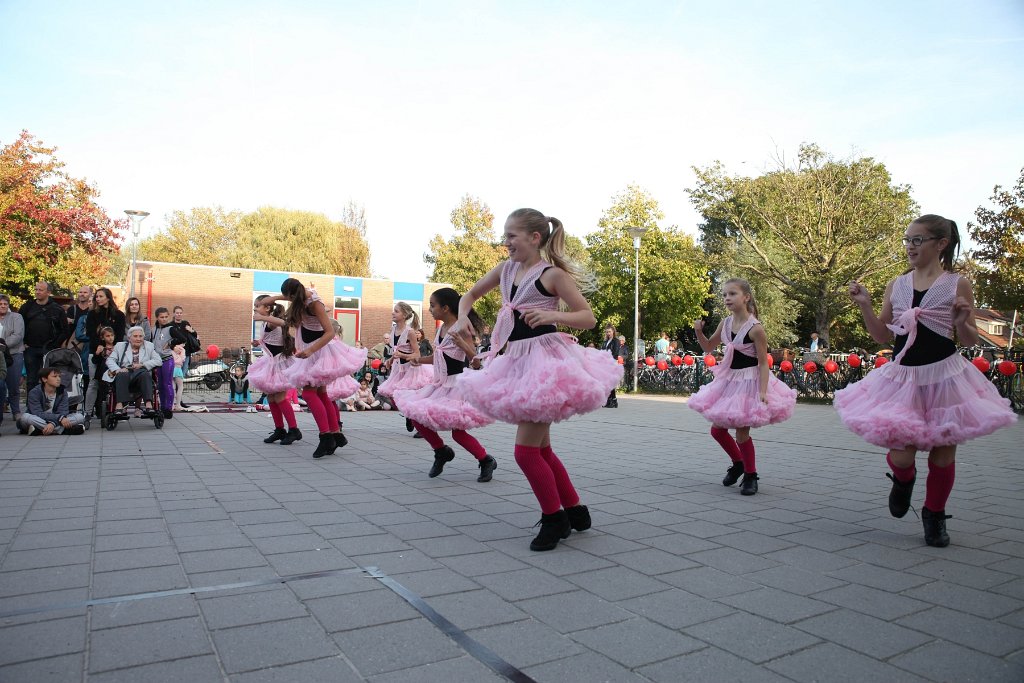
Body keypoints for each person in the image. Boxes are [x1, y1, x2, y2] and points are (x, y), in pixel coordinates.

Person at [834, 214, 1016, 547]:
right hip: (902, 379)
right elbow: (880, 335)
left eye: (917, 240)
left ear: (940, 244)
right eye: (907, 239)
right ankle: (904, 479)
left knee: (943, 454)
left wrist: (962, 321)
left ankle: (934, 514)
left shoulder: (956, 283)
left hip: (946, 376)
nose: (910, 246)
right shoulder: (897, 285)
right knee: (903, 456)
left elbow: (969, 338)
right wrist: (865, 306)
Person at [455, 208, 622, 551]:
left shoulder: (552, 276)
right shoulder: (506, 270)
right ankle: (574, 510)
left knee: (525, 453)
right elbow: (469, 296)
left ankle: (554, 518)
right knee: (541, 448)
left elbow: (588, 318)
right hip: (516, 360)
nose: (506, 243)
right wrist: (461, 319)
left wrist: (550, 314)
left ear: (534, 237)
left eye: (512, 236)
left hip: (545, 363)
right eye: (505, 236)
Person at [689, 279, 797, 496]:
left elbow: (764, 362)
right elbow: (709, 346)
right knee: (717, 430)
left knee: (741, 431)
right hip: (729, 380)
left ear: (746, 297)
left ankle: (750, 475)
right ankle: (738, 462)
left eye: (732, 294)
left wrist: (763, 391)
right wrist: (699, 331)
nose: (727, 298)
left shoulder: (755, 329)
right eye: (725, 295)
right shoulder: (726, 323)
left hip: (750, 381)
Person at [395, 287, 498, 482]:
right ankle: (441, 451)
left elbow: (475, 360)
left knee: (458, 433)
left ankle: (486, 460)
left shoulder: (461, 328)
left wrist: (463, 344)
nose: (430, 309)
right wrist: (419, 360)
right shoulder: (440, 329)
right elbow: (439, 357)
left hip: (457, 385)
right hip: (440, 384)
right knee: (416, 416)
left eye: (433, 306)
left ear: (445, 308)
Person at [275, 278, 366, 458]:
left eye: (289, 299)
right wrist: (269, 300)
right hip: (312, 350)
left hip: (319, 350)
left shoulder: (314, 303)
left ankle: (325, 436)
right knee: (322, 394)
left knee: (309, 394)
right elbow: (286, 298)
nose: (290, 302)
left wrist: (310, 351)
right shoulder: (302, 297)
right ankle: (335, 433)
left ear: (294, 295)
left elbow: (330, 332)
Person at [248, 295, 301, 445]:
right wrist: (259, 342)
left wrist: (262, 318)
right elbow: (272, 340)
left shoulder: (270, 322)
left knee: (280, 398)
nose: (255, 308)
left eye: (258, 306)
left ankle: (294, 430)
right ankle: (279, 429)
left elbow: (283, 322)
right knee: (271, 398)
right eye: (255, 305)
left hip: (280, 364)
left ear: (267, 308)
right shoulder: (266, 324)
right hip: (271, 362)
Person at [377, 303, 433, 433]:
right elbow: (395, 349)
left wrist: (401, 354)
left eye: (396, 311)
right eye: (393, 311)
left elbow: (417, 354)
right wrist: (391, 359)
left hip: (411, 369)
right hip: (398, 368)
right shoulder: (393, 329)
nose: (393, 313)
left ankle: (421, 426)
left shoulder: (410, 332)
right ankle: (408, 415)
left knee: (414, 398)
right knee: (394, 395)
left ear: (404, 315)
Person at [19, 281, 69, 393]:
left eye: (40, 290)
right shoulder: (27, 307)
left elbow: (65, 330)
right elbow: (19, 326)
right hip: (30, 348)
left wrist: (55, 345)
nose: (37, 292)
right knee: (31, 380)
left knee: (49, 379)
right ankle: (31, 407)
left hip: (49, 350)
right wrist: (23, 342)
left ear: (48, 292)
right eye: (36, 289)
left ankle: (47, 405)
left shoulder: (57, 309)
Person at [106, 326, 162, 417]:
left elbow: (158, 361)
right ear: (129, 338)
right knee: (122, 374)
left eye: (140, 336)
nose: (138, 339)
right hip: (125, 375)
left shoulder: (149, 346)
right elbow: (110, 360)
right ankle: (119, 405)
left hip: (141, 377)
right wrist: (117, 369)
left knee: (144, 373)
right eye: (135, 336)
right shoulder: (120, 346)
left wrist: (142, 364)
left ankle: (148, 404)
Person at [18, 367, 86, 435]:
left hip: (56, 420)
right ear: (44, 379)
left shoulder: (62, 391)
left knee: (80, 417)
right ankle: (62, 430)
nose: (58, 379)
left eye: (59, 376)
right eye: (55, 376)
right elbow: (37, 413)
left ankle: (39, 430)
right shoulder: (34, 392)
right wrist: (59, 419)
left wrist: (53, 423)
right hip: (40, 419)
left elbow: (63, 411)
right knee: (25, 417)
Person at [149, 308, 185, 419]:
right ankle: (162, 406)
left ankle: (168, 408)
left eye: (166, 317)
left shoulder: (171, 329)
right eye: (161, 317)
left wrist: (170, 344)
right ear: (157, 318)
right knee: (159, 385)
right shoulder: (153, 329)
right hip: (156, 361)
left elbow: (182, 338)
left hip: (167, 360)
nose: (164, 319)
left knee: (167, 384)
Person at [0, 294, 26, 427]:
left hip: (13, 354)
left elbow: (18, 335)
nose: (3, 306)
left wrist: (2, 345)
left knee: (14, 384)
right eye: (0, 304)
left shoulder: (16, 317)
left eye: (5, 304)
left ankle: (16, 411)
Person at [85, 326, 117, 418]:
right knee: (101, 392)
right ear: (102, 338)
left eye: (112, 335)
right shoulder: (101, 348)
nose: (110, 338)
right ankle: (99, 411)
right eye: (107, 336)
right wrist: (97, 353)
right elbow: (95, 361)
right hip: (102, 373)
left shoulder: (117, 347)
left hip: (114, 372)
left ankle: (113, 410)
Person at [602, 325, 621, 408]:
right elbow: (602, 351)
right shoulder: (605, 341)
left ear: (613, 331)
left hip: (612, 363)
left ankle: (612, 401)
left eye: (609, 331)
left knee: (610, 382)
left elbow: (616, 353)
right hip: (605, 363)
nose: (608, 333)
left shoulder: (616, 341)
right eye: (607, 332)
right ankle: (612, 400)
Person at [170, 340, 187, 411]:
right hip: (178, 369)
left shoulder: (171, 349)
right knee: (180, 387)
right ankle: (178, 405)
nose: (184, 345)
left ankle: (171, 405)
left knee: (172, 387)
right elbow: (182, 359)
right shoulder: (182, 349)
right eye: (184, 343)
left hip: (171, 369)